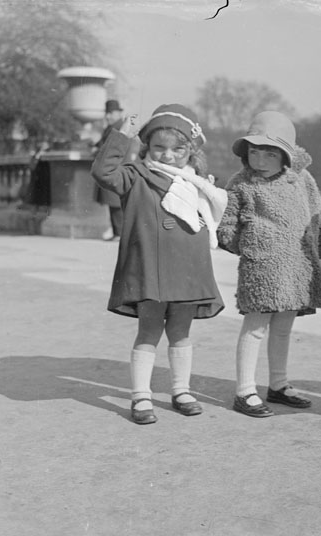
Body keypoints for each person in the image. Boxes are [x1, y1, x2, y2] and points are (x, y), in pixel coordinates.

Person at [91, 103, 227, 425]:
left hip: (188, 270)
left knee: (181, 332)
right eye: (159, 148)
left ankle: (181, 390)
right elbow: (103, 173)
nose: (168, 156)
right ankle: (141, 395)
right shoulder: (135, 176)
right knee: (149, 330)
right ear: (147, 147)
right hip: (150, 270)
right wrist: (121, 136)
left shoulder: (197, 182)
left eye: (178, 149)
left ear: (190, 151)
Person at [216, 111, 321, 418]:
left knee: (283, 327)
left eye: (269, 153)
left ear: (286, 156)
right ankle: (245, 390)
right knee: (255, 326)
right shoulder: (240, 183)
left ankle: (279, 385)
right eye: (254, 151)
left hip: (296, 264)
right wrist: (241, 242)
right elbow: (227, 221)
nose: (260, 159)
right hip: (261, 266)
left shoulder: (302, 179)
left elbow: (317, 211)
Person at [93, 99, 140, 241]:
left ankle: (120, 233)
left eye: (111, 113)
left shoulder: (119, 127)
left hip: (116, 167)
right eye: (107, 113)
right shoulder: (112, 126)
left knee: (116, 203)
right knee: (113, 203)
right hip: (114, 167)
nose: (108, 116)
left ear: (118, 113)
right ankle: (117, 232)